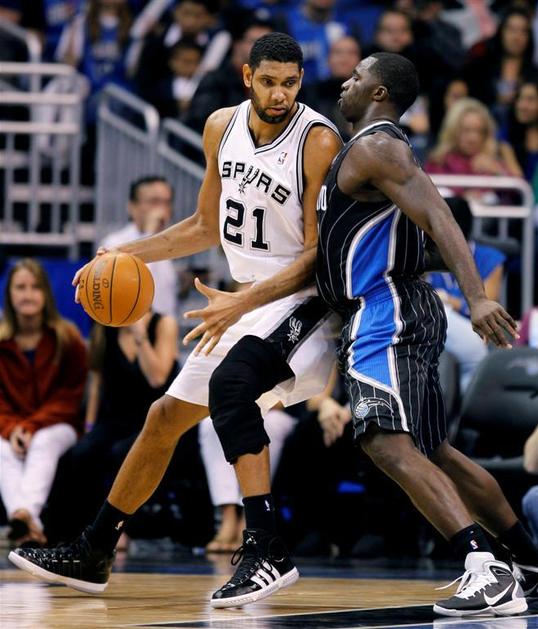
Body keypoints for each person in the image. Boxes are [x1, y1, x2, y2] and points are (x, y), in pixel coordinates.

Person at [9, 32, 342, 607]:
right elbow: (204, 227)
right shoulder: (220, 127)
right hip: (247, 303)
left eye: (290, 83)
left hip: (302, 304)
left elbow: (317, 257)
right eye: (268, 82)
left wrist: (241, 302)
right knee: (163, 417)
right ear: (247, 77)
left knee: (231, 387)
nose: (280, 94)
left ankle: (266, 548)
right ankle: (95, 549)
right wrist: (124, 254)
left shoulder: (317, 141)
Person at [315, 52, 535, 617]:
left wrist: (477, 295)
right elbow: (415, 238)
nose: (345, 83)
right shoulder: (372, 149)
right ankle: (531, 560)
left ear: (380, 93)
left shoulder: (377, 146)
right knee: (435, 450)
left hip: (384, 312)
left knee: (384, 441)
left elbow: (441, 217)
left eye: (358, 77)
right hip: (396, 307)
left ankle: (484, 568)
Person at [46, 309, 179, 544]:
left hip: (154, 420)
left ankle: (116, 529)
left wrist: (140, 336)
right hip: (113, 419)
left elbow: (157, 378)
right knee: (81, 453)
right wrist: (89, 426)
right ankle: (74, 530)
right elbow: (96, 383)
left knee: (122, 453)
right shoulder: (105, 326)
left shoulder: (163, 323)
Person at [0, 259, 87, 546]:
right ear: (9, 294)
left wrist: (31, 426)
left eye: (35, 287)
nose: (28, 294)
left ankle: (22, 517)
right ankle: (29, 524)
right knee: (2, 449)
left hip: (58, 425)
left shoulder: (67, 337)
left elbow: (70, 397)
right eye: (20, 287)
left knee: (43, 442)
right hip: (10, 426)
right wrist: (13, 428)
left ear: (46, 294)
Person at [101, 176, 178, 317]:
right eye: (154, 202)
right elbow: (132, 289)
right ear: (132, 207)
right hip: (130, 323)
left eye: (167, 202)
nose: (162, 209)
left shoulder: (171, 241)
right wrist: (149, 233)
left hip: (167, 323)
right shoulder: (114, 243)